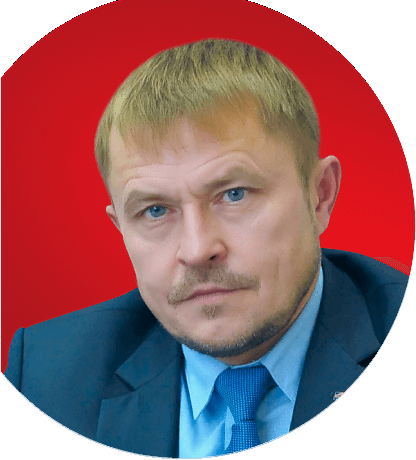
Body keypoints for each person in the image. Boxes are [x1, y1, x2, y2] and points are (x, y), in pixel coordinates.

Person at [3, 39, 409, 458]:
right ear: (120, 228)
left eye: (234, 194)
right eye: (155, 210)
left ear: (320, 196)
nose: (197, 250)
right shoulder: (46, 378)